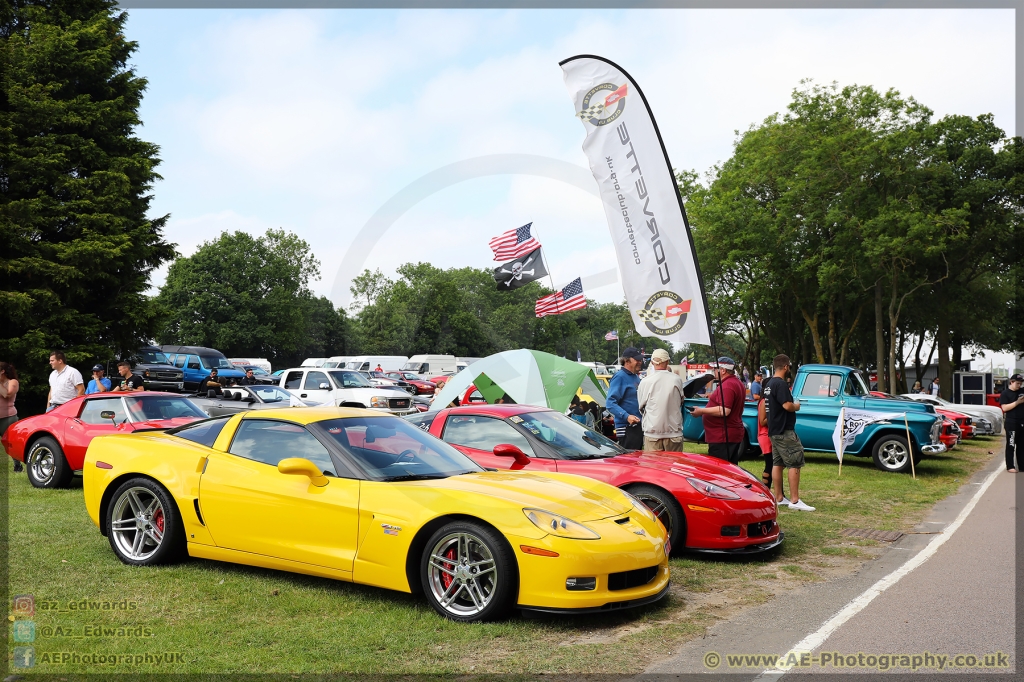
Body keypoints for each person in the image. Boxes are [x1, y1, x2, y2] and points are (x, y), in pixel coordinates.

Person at [765, 354, 814, 511]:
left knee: (777, 463)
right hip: (784, 431)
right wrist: (797, 406)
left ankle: (779, 497)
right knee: (794, 462)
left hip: (773, 430)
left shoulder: (768, 384)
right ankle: (794, 500)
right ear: (786, 366)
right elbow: (787, 405)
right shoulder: (780, 384)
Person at [690, 356, 746, 463]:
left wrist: (701, 411)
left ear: (723, 370)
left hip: (722, 437)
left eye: (715, 368)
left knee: (721, 472)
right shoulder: (735, 382)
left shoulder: (727, 385)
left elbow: (724, 410)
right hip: (727, 434)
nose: (714, 371)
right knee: (730, 470)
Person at [637, 348, 686, 452]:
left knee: (654, 467)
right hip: (674, 432)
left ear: (652, 362)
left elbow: (641, 407)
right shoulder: (676, 380)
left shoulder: (645, 381)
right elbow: (681, 401)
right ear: (667, 362)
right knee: (673, 467)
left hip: (652, 432)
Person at [606, 347, 644, 450]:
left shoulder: (635, 377)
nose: (640, 362)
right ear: (627, 361)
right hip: (627, 428)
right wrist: (627, 416)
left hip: (637, 428)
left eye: (641, 359)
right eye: (637, 360)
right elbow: (610, 403)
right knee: (629, 463)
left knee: (636, 462)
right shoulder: (620, 377)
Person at [998, 373, 1024, 473]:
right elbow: (1004, 408)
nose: (1019, 385)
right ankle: (1010, 466)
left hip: (1022, 422)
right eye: (1017, 383)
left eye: (1021, 383)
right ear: (1011, 382)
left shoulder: (1022, 391)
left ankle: (1022, 466)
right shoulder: (1005, 393)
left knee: (1021, 446)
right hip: (1011, 422)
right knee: (1011, 444)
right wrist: (1017, 402)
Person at [0, 362, 21, 471]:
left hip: (8, 418)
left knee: (10, 443)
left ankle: (17, 465)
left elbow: (6, 394)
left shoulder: (13, 382)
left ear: (2, 371)